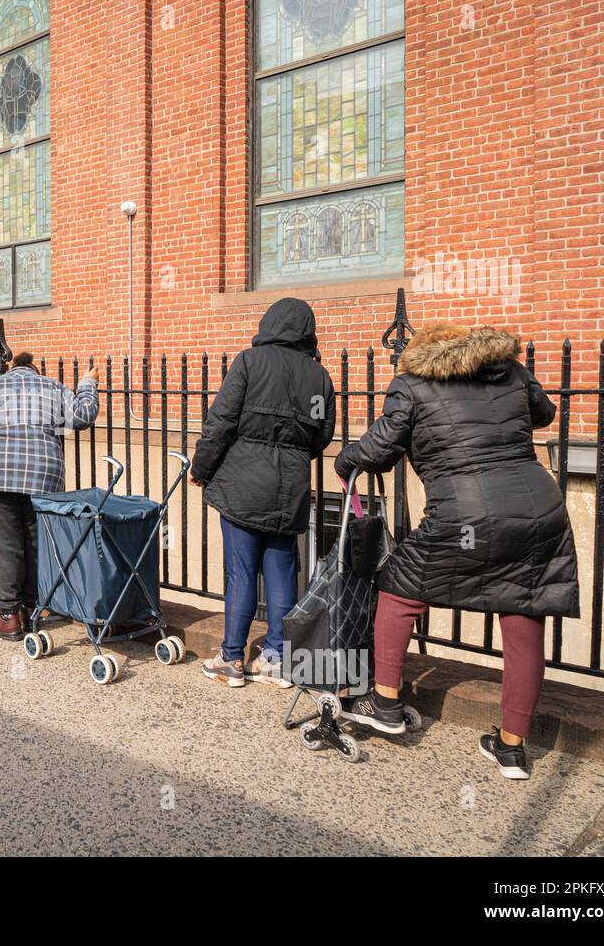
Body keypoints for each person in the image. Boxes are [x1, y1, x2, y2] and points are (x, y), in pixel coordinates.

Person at [333, 322, 580, 780]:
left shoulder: (412, 384)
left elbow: (381, 449)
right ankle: (511, 748)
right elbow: (544, 414)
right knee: (524, 612)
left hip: (466, 511)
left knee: (400, 586)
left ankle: (383, 700)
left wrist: (346, 459)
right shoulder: (512, 373)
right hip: (540, 508)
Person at [190, 298, 336, 689]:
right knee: (282, 570)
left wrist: (201, 468)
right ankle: (276, 659)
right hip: (291, 485)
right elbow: (321, 435)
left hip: (242, 481)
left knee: (240, 572)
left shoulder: (249, 363)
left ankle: (232, 658)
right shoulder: (319, 377)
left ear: (269, 323)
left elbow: (220, 421)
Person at [0, 351, 99, 639]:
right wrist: (88, 383)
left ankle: (8, 615)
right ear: (34, 369)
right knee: (35, 544)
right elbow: (82, 417)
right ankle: (31, 608)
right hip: (43, 477)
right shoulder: (53, 387)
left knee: (4, 545)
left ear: (11, 368)